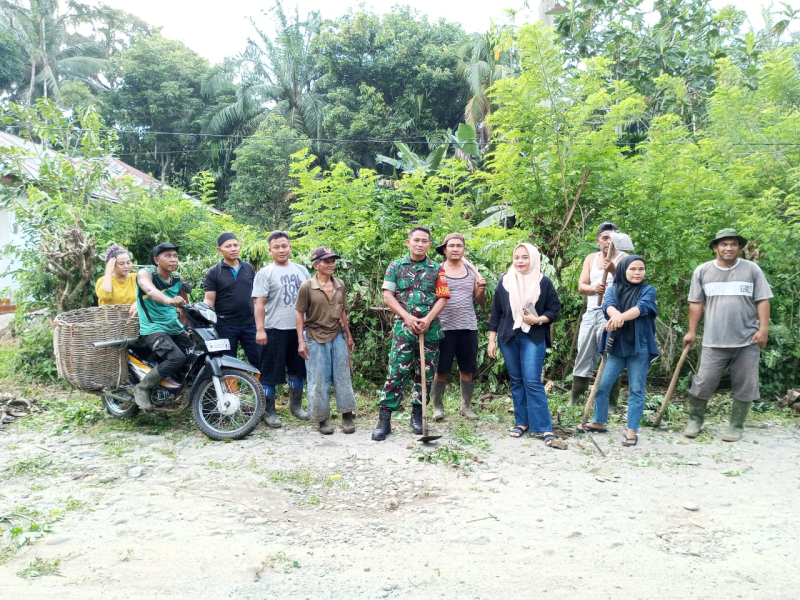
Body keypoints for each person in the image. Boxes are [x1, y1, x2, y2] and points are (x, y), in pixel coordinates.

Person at [682, 228, 772, 442]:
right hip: (714, 340)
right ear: (715, 247)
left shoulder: (752, 270)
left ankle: (736, 426)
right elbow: (696, 304)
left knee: (746, 383)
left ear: (739, 247)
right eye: (724, 244)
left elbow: (763, 300)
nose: (729, 248)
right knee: (704, 381)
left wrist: (763, 329)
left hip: (747, 339)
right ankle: (695, 420)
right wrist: (692, 331)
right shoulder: (702, 271)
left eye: (733, 244)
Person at [371, 226, 450, 441]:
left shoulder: (437, 269)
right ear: (408, 242)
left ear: (429, 245)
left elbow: (442, 298)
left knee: (424, 374)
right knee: (396, 371)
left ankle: (417, 416)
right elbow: (388, 296)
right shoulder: (395, 266)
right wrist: (407, 317)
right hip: (404, 329)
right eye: (416, 240)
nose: (420, 244)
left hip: (429, 329)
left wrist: (427, 319)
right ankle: (384, 420)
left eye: (424, 241)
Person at [488, 243, 563, 448]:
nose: (520, 261)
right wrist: (491, 340)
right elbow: (496, 313)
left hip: (533, 336)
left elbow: (554, 309)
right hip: (508, 337)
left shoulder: (543, 282)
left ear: (533, 259)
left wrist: (537, 321)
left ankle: (543, 426)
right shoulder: (505, 281)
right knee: (517, 380)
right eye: (517, 257)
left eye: (525, 257)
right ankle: (522, 422)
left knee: (532, 380)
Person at [578, 256, 658, 446]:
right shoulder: (613, 289)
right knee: (603, 386)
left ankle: (631, 431)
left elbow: (642, 308)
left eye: (641, 269)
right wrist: (615, 315)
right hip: (616, 345)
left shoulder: (648, 290)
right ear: (623, 271)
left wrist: (620, 317)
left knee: (637, 389)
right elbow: (607, 306)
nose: (637, 273)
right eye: (632, 269)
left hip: (640, 346)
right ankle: (599, 421)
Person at [295, 247, 357, 434]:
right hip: (315, 337)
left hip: (337, 335)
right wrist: (301, 340)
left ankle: (347, 415)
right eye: (326, 261)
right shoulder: (307, 286)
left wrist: (348, 335)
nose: (331, 264)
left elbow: (342, 312)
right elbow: (299, 314)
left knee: (343, 376)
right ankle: (322, 419)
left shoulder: (340, 284)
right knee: (318, 379)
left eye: (333, 261)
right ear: (316, 265)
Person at [253, 231, 311, 428]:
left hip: (298, 330)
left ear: (290, 247)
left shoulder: (302, 270)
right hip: (274, 329)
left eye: (284, 246)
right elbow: (259, 304)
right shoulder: (265, 273)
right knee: (270, 372)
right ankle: (269, 412)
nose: (281, 250)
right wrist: (260, 329)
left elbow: (310, 300)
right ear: (270, 250)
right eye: (276, 247)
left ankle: (296, 407)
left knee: (297, 370)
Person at [430, 232, 487, 421]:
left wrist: (481, 289)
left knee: (467, 369)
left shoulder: (471, 272)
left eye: (459, 246)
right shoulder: (437, 270)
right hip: (442, 327)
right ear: (445, 250)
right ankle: (437, 407)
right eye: (451, 246)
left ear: (463, 249)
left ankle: (466, 406)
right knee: (441, 369)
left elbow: (479, 300)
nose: (455, 249)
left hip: (468, 327)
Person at [570, 222, 628, 407]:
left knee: (610, 355)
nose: (608, 242)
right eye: (605, 238)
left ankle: (610, 402)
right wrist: (595, 288)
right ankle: (576, 398)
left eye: (612, 238)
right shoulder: (590, 259)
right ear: (598, 241)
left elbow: (630, 285)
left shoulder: (625, 259)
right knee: (584, 352)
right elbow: (581, 286)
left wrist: (612, 269)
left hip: (612, 314)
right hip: (591, 311)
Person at [132, 242, 189, 409]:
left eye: (175, 256)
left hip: (174, 327)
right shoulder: (145, 274)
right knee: (176, 358)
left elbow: (185, 305)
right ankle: (142, 387)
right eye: (168, 256)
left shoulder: (178, 279)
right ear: (157, 260)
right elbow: (150, 291)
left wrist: (186, 326)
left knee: (196, 354)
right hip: (153, 328)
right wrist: (169, 300)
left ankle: (178, 389)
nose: (173, 260)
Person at [202, 232, 260, 366]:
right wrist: (202, 313)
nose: (233, 248)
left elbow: (256, 296)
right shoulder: (213, 272)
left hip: (250, 323)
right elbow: (209, 300)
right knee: (228, 361)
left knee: (258, 358)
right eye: (228, 246)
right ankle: (231, 388)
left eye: (236, 245)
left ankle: (260, 387)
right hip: (225, 325)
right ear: (219, 250)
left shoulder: (248, 268)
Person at [95, 244, 138, 317]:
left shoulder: (136, 278)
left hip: (132, 322)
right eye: (121, 264)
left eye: (128, 263)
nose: (126, 266)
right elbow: (105, 296)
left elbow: (148, 295)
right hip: (110, 323)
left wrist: (138, 303)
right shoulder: (102, 281)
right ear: (113, 264)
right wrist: (108, 271)